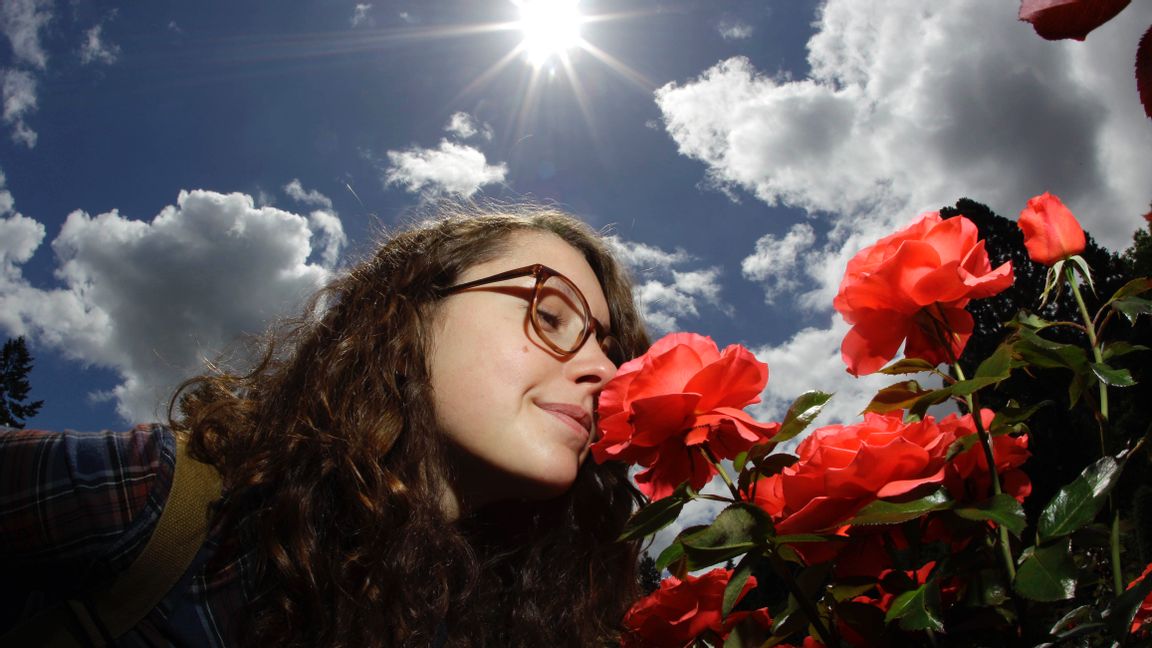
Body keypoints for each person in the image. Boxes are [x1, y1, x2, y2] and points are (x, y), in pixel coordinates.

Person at [0, 203, 651, 646]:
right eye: (550, 316)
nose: (605, 371)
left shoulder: (540, 621)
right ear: (411, 315)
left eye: (611, 349)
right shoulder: (162, 503)